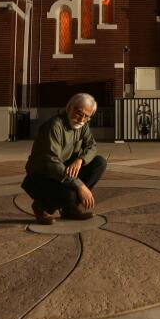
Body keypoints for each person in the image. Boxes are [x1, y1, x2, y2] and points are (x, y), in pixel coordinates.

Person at [22, 93, 107, 225]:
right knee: (70, 195)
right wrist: (80, 185)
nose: (82, 119)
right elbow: (52, 163)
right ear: (69, 108)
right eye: (79, 113)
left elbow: (92, 146)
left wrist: (80, 160)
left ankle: (70, 210)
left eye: (87, 117)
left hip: (64, 171)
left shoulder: (82, 126)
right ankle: (41, 207)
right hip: (43, 175)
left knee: (99, 162)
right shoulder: (54, 126)